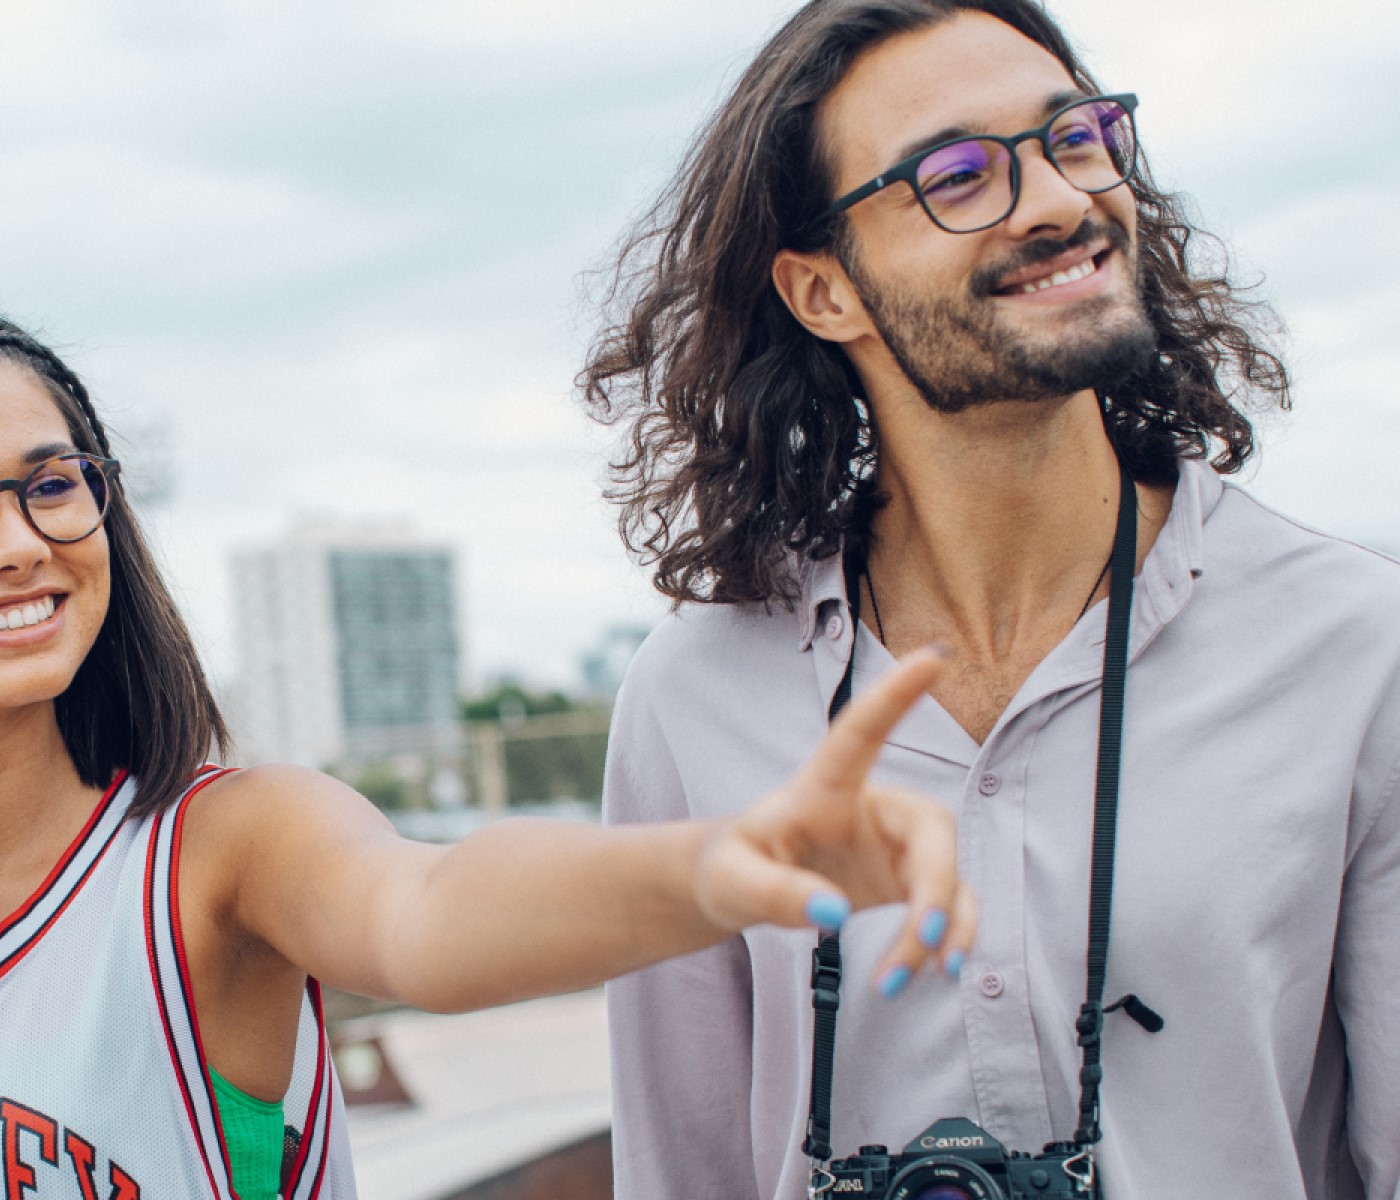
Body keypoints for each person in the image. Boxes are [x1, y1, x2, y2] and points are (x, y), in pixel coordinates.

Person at [0, 298, 975, 1200]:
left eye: (55, 481)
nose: (21, 539)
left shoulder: (217, 857)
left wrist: (708, 868)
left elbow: (431, 907)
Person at [583, 1, 1400, 1196]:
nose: (1061, 200)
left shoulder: (1356, 645)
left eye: (1076, 138)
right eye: (957, 175)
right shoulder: (693, 699)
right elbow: (682, 1172)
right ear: (823, 292)